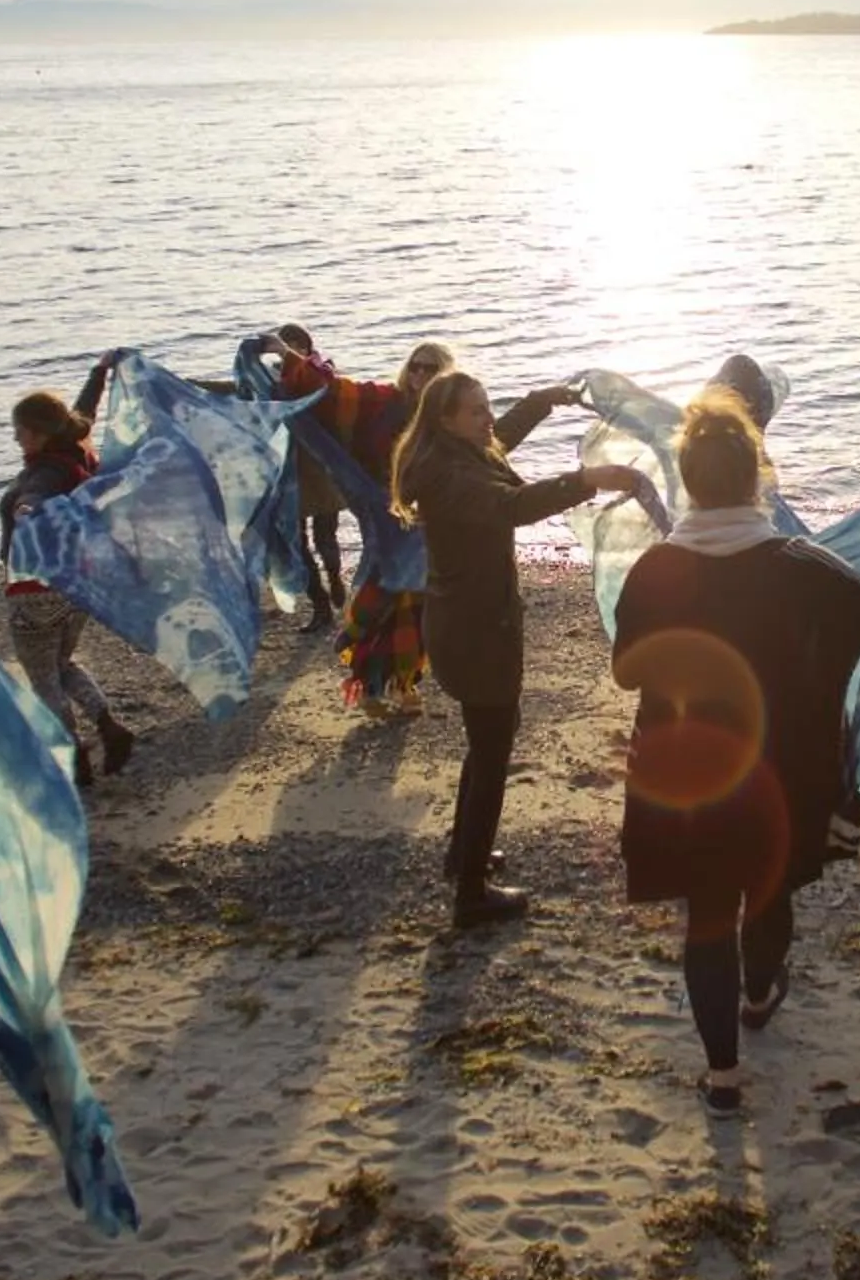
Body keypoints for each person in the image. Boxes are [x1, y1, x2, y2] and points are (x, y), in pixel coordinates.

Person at [611, 391, 860, 1113]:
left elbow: (627, 669)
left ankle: (722, 1076)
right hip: (780, 767)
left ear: (688, 481)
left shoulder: (657, 568)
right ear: (757, 476)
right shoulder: (799, 563)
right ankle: (757, 993)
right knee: (768, 885)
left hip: (683, 768)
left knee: (709, 909)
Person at [390, 367, 649, 926]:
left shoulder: (458, 452)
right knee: (491, 756)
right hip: (476, 634)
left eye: (488, 407)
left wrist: (541, 401)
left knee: (485, 744)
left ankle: (466, 854)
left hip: (467, 625)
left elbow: (500, 438)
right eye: (477, 411)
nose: (488, 419)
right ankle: (471, 895)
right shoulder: (449, 478)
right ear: (446, 420)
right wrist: (590, 479)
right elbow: (513, 507)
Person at [279, 337, 456, 718]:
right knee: (384, 596)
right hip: (381, 512)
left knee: (415, 604)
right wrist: (285, 355)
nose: (420, 374)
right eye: (416, 366)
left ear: (445, 375)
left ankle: (402, 686)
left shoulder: (449, 417)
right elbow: (336, 391)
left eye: (430, 368)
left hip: (427, 521)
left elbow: (483, 446)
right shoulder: (384, 402)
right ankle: (371, 684)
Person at [0, 353, 139, 789]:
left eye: (20, 431)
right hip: (76, 584)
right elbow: (85, 411)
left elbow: (36, 496)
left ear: (39, 434)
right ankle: (108, 725)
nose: (16, 439)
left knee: (44, 679)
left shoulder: (43, 472)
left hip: (32, 588)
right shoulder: (76, 449)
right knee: (62, 663)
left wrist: (26, 510)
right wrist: (100, 371)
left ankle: (73, 755)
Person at [274, 323, 352, 633]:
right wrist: (188, 384)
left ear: (308, 346)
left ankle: (334, 577)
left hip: (322, 471)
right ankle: (320, 607)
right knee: (298, 544)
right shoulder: (271, 382)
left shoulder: (322, 374)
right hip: (288, 476)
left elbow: (322, 387)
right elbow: (236, 392)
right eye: (285, 344)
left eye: (297, 344)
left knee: (325, 538)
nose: (292, 349)